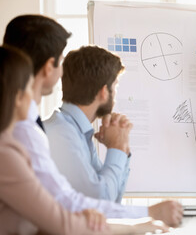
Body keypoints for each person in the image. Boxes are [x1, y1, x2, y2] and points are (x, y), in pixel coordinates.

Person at [4, 14, 183, 227]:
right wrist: (145, 215)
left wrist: (120, 149)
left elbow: (99, 202)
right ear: (103, 92)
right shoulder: (40, 132)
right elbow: (79, 203)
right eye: (60, 61)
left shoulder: (71, 131)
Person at [0, 45, 111, 235]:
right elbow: (60, 222)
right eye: (29, 87)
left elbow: (46, 213)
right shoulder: (6, 153)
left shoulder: (11, 145)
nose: (33, 96)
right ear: (18, 97)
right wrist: (136, 225)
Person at [45, 45, 131, 202]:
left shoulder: (78, 132)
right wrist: (117, 148)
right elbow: (100, 200)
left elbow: (112, 201)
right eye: (115, 86)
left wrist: (122, 148)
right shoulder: (62, 134)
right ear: (104, 92)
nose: (116, 93)